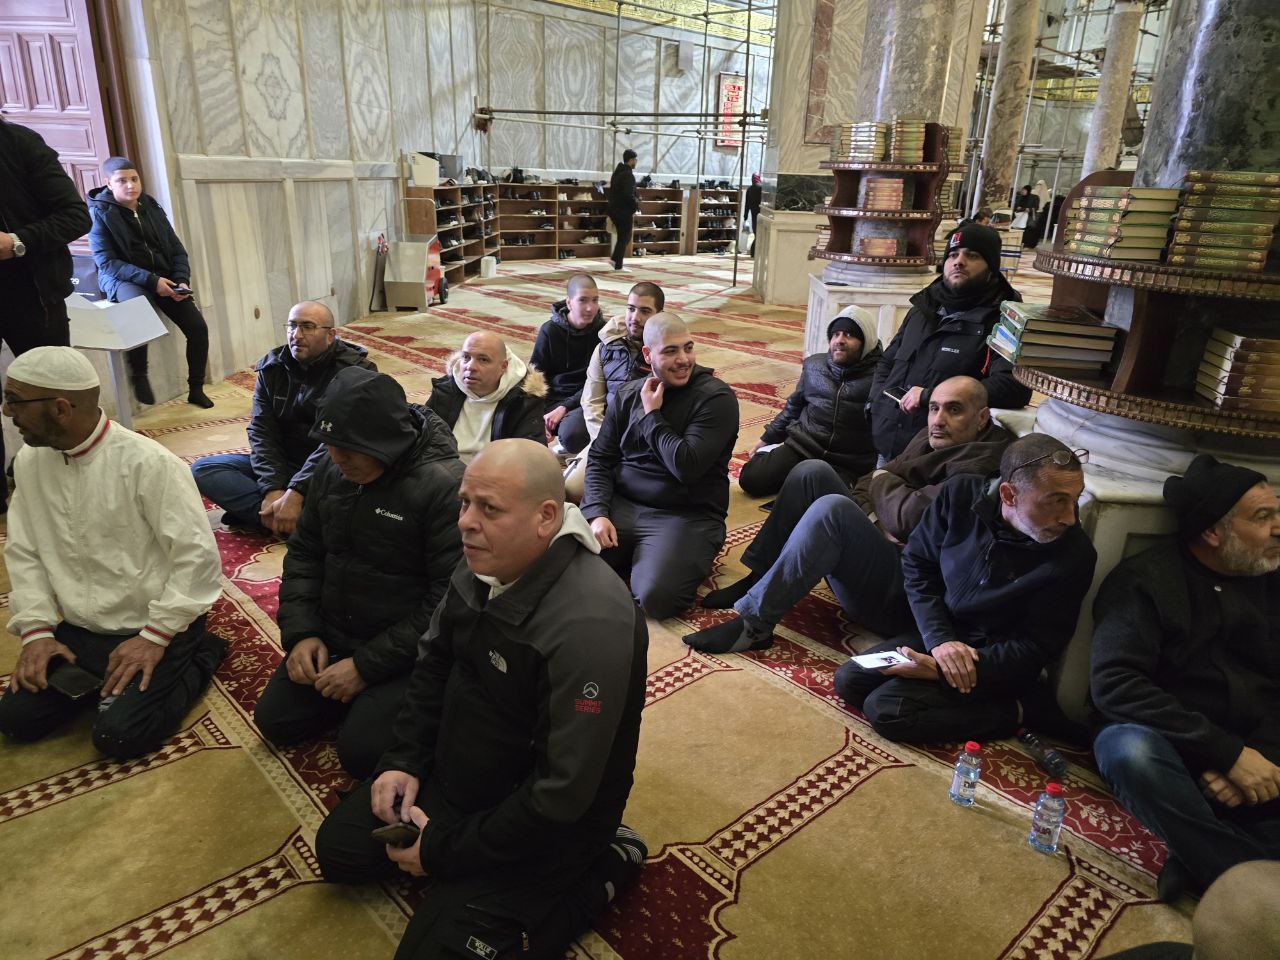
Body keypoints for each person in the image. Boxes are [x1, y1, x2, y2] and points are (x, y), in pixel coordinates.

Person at [313, 440, 648, 960]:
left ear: (546, 517)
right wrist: (405, 759)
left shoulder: (590, 625)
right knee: (341, 852)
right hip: (470, 770)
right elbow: (433, 666)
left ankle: (606, 863)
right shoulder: (484, 561)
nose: (465, 523)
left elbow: (561, 795)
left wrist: (444, 850)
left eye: (489, 508)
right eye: (464, 503)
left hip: (547, 818)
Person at [0, 346, 225, 759]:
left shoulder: (150, 464)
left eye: (14, 400)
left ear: (61, 408)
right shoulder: (30, 462)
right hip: (83, 630)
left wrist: (155, 636)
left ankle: (201, 652)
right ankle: (106, 681)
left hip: (156, 625)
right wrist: (37, 633)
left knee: (119, 736)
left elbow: (197, 561)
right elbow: (24, 551)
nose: (6, 411)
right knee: (16, 720)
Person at [254, 368, 464, 779]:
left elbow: (447, 602)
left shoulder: (444, 488)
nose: (337, 458)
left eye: (349, 449)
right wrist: (302, 633)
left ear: (387, 441)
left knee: (361, 753)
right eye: (330, 445)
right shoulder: (331, 469)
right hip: (337, 632)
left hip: (408, 652)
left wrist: (366, 667)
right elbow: (305, 554)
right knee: (276, 720)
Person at [689, 376, 1012, 640]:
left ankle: (754, 626)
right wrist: (879, 513)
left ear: (982, 417)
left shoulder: (980, 466)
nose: (938, 420)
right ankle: (760, 577)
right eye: (933, 408)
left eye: (954, 410)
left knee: (833, 510)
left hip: (904, 597)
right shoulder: (931, 437)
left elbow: (906, 518)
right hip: (884, 552)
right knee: (811, 472)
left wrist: (885, 484)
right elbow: (867, 482)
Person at [1090, 455, 1280, 902]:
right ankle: (1246, 883)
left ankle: (1196, 855)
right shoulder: (1146, 580)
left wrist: (1259, 762)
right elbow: (1115, 683)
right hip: (1177, 751)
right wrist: (1226, 753)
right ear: (1213, 532)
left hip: (1264, 756)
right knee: (1126, 750)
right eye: (1263, 517)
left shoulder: (1273, 581)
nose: (1278, 528)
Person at [831, 435, 1096, 743]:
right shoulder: (960, 495)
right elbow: (918, 564)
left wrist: (939, 671)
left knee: (888, 710)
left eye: (1075, 499)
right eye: (1056, 501)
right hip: (945, 632)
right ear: (1008, 494)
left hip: (993, 660)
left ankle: (1017, 711)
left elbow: (1036, 647)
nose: (1070, 517)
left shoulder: (1074, 555)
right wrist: (939, 639)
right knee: (850, 679)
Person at [582, 313, 738, 619]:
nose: (683, 360)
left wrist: (652, 416)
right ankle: (636, 556)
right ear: (647, 354)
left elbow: (687, 467)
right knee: (557, 560)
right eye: (670, 351)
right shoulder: (629, 393)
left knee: (657, 598)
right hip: (624, 505)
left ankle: (668, 556)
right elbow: (600, 458)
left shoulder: (716, 399)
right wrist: (597, 513)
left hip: (684, 514)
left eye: (688, 348)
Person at [191, 300, 374, 535]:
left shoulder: (356, 373)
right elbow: (262, 431)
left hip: (335, 467)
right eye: (292, 326)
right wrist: (273, 488)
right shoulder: (272, 369)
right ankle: (286, 520)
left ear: (330, 335)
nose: (296, 335)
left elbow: (335, 442)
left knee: (362, 497)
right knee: (205, 469)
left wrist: (297, 491)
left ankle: (275, 517)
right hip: (287, 463)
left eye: (307, 327)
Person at [870, 221, 1031, 461]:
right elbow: (887, 361)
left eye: (972, 255)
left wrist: (931, 396)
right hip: (888, 443)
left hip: (941, 457)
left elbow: (1012, 386)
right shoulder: (922, 309)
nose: (959, 261)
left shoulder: (1004, 321)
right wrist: (876, 403)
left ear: (991, 267)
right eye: (953, 255)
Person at [0, 117, 92, 491]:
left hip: (31, 294)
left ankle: (65, 480)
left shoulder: (21, 143)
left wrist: (17, 242)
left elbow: (76, 216)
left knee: (52, 393)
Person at [87, 157, 212, 408]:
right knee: (139, 310)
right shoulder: (98, 213)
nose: (130, 185)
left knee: (198, 328)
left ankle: (196, 389)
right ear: (108, 183)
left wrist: (181, 280)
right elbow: (107, 262)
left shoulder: (150, 205)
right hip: (122, 278)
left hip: (162, 275)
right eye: (122, 181)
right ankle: (139, 373)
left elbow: (176, 248)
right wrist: (152, 281)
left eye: (134, 179)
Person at [738, 306, 882, 498]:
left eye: (848, 335)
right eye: (835, 334)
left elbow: (886, 430)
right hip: (803, 446)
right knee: (751, 479)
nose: (839, 340)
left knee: (828, 501)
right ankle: (781, 460)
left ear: (866, 342)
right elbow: (793, 407)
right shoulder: (814, 365)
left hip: (847, 461)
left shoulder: (881, 377)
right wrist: (768, 438)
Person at [564, 281, 664, 500]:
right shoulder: (605, 347)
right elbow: (591, 401)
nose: (635, 318)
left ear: (659, 315)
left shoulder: (666, 353)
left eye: (645, 311)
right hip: (606, 435)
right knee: (570, 489)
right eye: (631, 308)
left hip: (646, 443)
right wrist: (603, 442)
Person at [426, 331, 545, 463]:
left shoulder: (524, 401)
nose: (470, 367)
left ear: (503, 367)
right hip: (443, 464)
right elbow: (423, 438)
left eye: (483, 360)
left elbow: (531, 458)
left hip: (495, 470)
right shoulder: (445, 390)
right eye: (466, 357)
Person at [530, 273, 605, 455]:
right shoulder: (550, 331)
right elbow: (536, 378)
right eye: (583, 300)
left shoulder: (603, 333)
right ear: (569, 303)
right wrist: (535, 415)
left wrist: (566, 407)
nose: (590, 308)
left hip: (587, 399)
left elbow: (600, 383)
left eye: (595, 300)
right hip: (554, 399)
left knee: (573, 435)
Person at [608, 149, 640, 271]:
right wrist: (634, 206)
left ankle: (614, 260)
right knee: (624, 237)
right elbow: (628, 194)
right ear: (631, 160)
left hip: (614, 209)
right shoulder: (628, 175)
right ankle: (618, 265)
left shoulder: (617, 172)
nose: (636, 162)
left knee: (625, 237)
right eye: (635, 160)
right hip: (623, 210)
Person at [744, 173, 762, 257]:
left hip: (753, 215)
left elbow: (747, 204)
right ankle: (756, 253)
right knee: (761, 234)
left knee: (756, 233)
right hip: (762, 214)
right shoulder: (761, 188)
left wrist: (745, 216)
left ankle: (753, 252)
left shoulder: (749, 189)